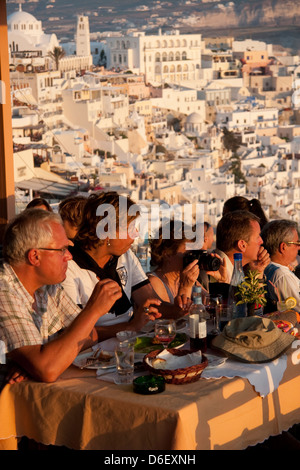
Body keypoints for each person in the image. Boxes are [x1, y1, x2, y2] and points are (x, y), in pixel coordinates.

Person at [0, 209, 161, 384]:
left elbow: (89, 336)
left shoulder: (48, 286)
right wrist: (92, 310)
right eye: (62, 249)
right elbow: (48, 370)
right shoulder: (4, 291)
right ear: (35, 256)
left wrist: (37, 359)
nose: (69, 256)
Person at [62, 191, 168, 340]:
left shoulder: (124, 255)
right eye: (130, 229)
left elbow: (151, 301)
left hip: (129, 343)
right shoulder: (69, 266)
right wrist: (130, 327)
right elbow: (72, 335)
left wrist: (182, 309)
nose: (136, 234)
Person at [148, 220, 226, 302]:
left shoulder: (185, 278)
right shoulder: (154, 283)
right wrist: (185, 288)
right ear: (167, 254)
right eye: (189, 253)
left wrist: (221, 282)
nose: (193, 258)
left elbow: (213, 304)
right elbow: (177, 314)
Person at [215, 210, 270, 284]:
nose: (262, 241)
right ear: (242, 245)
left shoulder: (234, 270)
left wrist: (258, 272)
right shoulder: (220, 276)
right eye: (258, 237)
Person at [261, 219, 300, 312]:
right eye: (296, 243)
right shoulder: (282, 276)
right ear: (283, 247)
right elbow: (296, 309)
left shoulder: (267, 267)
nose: (299, 247)